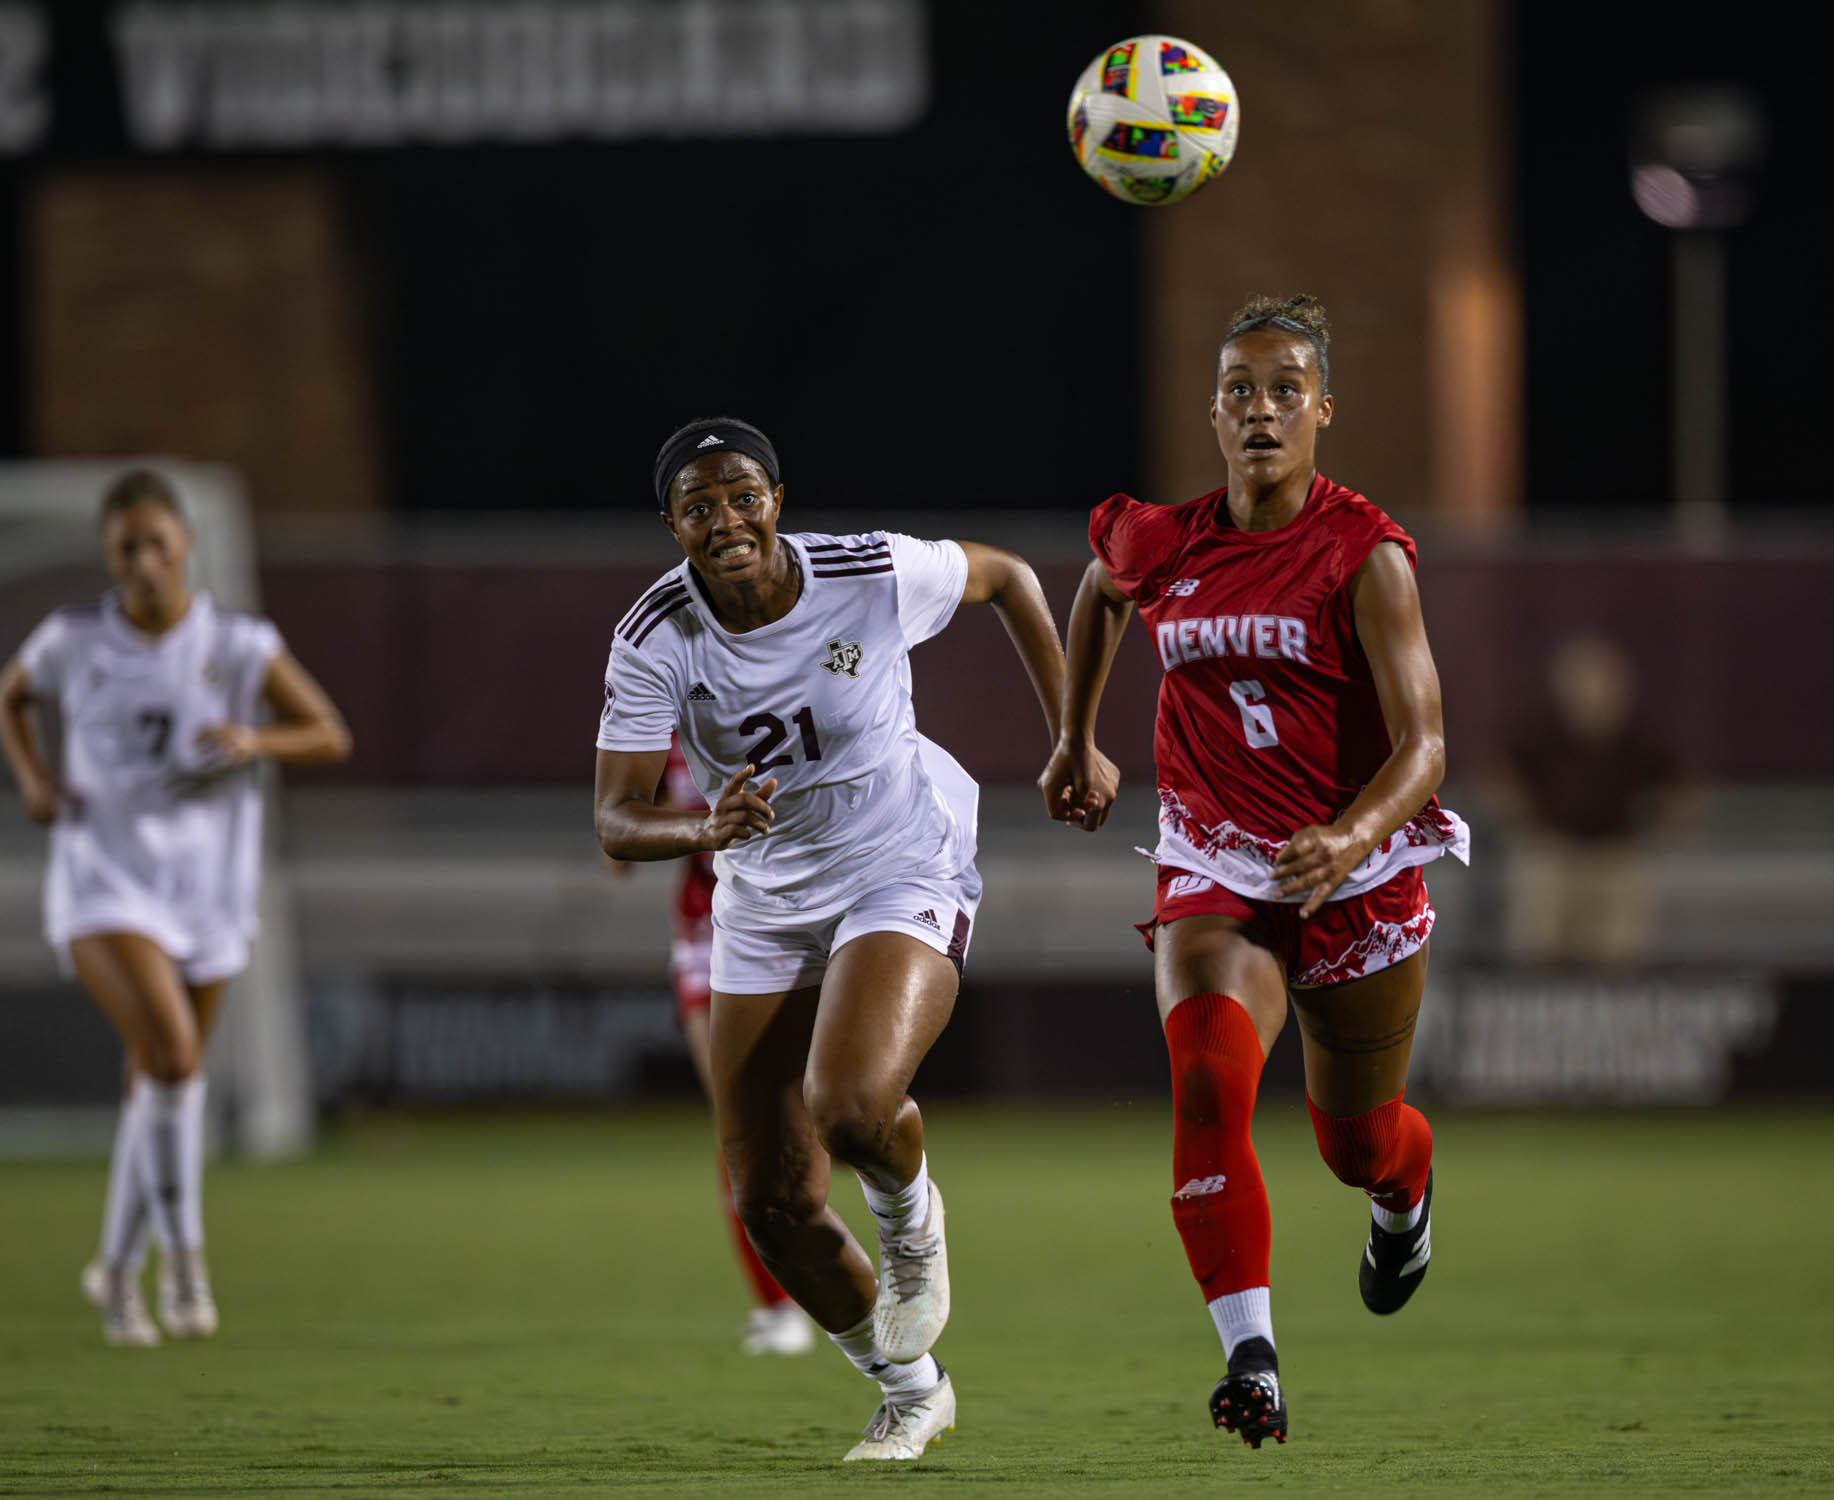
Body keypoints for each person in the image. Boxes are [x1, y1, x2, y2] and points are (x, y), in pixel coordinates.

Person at [1039, 295, 1469, 1449]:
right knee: (1206, 1082)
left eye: (1286, 390)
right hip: (1215, 859)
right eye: (1240, 389)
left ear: (1323, 409)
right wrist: (1074, 735)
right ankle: (1252, 1358)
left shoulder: (1361, 551)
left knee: (1353, 1142)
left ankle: (1402, 1191)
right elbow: (1095, 589)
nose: (1261, 410)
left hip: (1351, 871)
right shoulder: (1167, 539)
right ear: (1213, 412)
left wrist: (1348, 838)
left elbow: (1426, 748)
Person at [592, 417, 1067, 1462]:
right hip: (760, 896)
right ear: (670, 524)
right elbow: (616, 815)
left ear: (776, 498)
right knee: (768, 1201)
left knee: (849, 1106)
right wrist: (700, 828)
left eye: (742, 493)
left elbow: (1010, 581)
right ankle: (909, 1388)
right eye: (699, 504)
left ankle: (909, 1224)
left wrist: (1069, 736)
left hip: (897, 858)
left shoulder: (868, 571)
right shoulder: (654, 633)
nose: (725, 518)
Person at [0, 469, 351, 1346]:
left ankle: (114, 1274)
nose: (144, 562)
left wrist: (252, 739)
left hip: (205, 886)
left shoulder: (235, 643)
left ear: (185, 544)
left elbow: (329, 733)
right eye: (127, 548)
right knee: (176, 1053)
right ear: (107, 556)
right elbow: (11, 695)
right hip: (104, 879)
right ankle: (187, 1261)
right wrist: (35, 777)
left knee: (157, 1080)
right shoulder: (74, 640)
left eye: (157, 542)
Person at [603, 742, 816, 1357]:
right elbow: (623, 838)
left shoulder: (787, 691)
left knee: (827, 1107)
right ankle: (778, 1305)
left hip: (804, 913)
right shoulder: (662, 726)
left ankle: (886, 1233)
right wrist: (654, 825)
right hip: (709, 928)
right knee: (738, 1119)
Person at [1498, 632, 1691, 966]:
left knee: (1616, 953)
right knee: (1541, 947)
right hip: (1555, 852)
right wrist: (1525, 822)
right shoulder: (1542, 731)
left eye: (1601, 682)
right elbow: (1501, 775)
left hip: (1615, 855)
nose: (1592, 692)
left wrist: (1668, 825)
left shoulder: (1638, 735)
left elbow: (1682, 784)